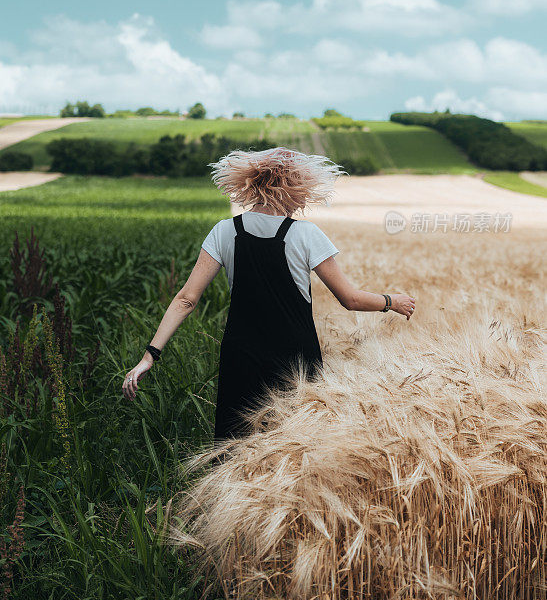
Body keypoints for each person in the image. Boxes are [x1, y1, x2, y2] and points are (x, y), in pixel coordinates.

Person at [121, 147, 416, 442]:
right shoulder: (306, 234)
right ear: (292, 187)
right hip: (294, 362)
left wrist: (150, 356)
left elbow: (186, 299)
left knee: (233, 451)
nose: (303, 199)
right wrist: (391, 302)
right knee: (296, 451)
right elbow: (350, 299)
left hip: (241, 358)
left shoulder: (224, 231)